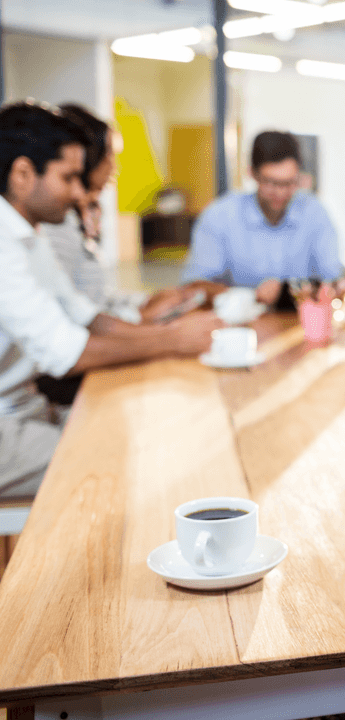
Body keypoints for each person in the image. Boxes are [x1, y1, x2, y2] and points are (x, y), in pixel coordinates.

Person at [0, 101, 219, 499]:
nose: (78, 191)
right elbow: (64, 352)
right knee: (123, 457)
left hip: (23, 409)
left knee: (139, 427)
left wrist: (166, 332)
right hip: (6, 427)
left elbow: (84, 314)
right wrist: (170, 341)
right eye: (68, 178)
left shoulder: (28, 234)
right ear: (21, 174)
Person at [37, 104, 197, 326]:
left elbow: (96, 299)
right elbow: (69, 319)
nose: (114, 167)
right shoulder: (56, 225)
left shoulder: (84, 216)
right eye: (110, 156)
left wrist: (147, 300)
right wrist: (141, 316)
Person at [181, 130, 345, 307]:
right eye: (271, 183)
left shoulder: (314, 213)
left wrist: (294, 290)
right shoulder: (220, 216)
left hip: (301, 325)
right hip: (236, 326)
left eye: (289, 183)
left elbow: (334, 279)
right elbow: (194, 286)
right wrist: (249, 297)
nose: (280, 192)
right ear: (252, 174)